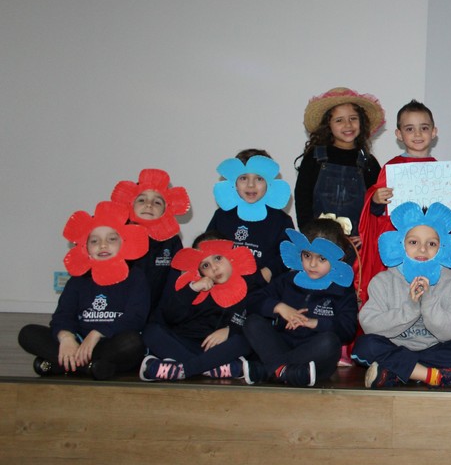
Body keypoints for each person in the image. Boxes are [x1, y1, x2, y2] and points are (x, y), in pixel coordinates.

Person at [354, 202, 451, 389]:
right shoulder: (383, 281)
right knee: (365, 345)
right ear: (401, 244)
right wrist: (410, 307)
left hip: (432, 351)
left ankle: (398, 372)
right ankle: (434, 376)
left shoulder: (448, 282)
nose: (422, 249)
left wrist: (429, 303)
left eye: (431, 244)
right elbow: (369, 324)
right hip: (396, 347)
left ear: (441, 247)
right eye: (413, 242)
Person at [18, 201, 149, 379]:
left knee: (132, 342)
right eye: (94, 241)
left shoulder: (136, 277)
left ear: (123, 243)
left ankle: (62, 365)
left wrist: (97, 334)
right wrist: (67, 338)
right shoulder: (78, 280)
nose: (103, 245)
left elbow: (135, 318)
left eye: (111, 239)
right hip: (78, 342)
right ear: (85, 247)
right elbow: (62, 316)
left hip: (110, 342)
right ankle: (90, 367)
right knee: (27, 333)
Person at [357, 100, 451, 308]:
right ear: (399, 134)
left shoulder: (443, 173)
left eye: (424, 128)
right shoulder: (391, 168)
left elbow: (447, 221)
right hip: (401, 255)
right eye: (409, 129)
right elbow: (377, 216)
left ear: (434, 132)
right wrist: (376, 200)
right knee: (399, 301)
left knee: (428, 303)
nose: (417, 134)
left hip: (429, 253)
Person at [242, 219, 360, 386]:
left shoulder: (342, 290)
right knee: (252, 322)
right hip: (282, 345)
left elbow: (347, 330)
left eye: (322, 259)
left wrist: (314, 323)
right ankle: (285, 372)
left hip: (313, 357)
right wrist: (280, 308)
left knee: (329, 342)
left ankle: (268, 370)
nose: (312, 264)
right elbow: (252, 300)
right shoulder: (287, 280)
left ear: (337, 258)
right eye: (307, 256)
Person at [139, 231, 259, 382]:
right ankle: (214, 369)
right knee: (151, 331)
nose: (214, 268)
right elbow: (170, 316)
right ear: (199, 270)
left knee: (244, 341)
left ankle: (181, 369)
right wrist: (192, 289)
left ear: (231, 256)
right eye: (205, 265)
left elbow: (255, 320)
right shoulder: (194, 287)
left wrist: (230, 330)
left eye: (218, 258)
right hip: (186, 345)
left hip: (219, 349)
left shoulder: (249, 287)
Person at [294, 87, 384, 242]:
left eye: (353, 118)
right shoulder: (314, 157)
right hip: (318, 242)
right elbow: (302, 198)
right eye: (339, 120)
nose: (348, 125)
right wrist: (308, 234)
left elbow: (376, 206)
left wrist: (367, 235)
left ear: (361, 122)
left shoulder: (369, 163)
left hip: (355, 246)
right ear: (328, 125)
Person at [206, 148, 295, 285]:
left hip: (265, 288)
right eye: (243, 178)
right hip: (226, 286)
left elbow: (288, 254)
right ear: (234, 183)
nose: (251, 185)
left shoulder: (281, 220)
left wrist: (267, 273)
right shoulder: (222, 216)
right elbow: (207, 248)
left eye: (259, 179)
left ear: (269, 183)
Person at [111, 168, 191, 313]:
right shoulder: (115, 236)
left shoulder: (172, 241)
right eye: (142, 200)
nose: (149, 205)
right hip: (120, 310)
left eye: (157, 202)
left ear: (166, 209)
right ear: (130, 204)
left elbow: (173, 283)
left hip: (157, 312)